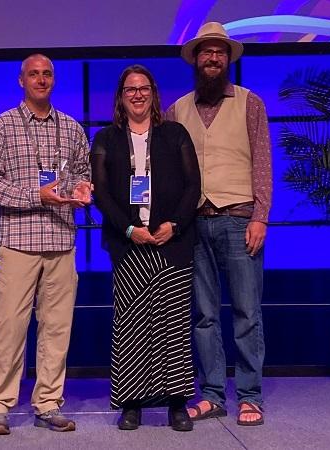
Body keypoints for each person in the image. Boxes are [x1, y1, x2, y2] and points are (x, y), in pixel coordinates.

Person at [166, 22, 272, 426]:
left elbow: (262, 162)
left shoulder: (250, 103)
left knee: (247, 312)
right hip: (196, 224)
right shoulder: (177, 109)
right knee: (204, 315)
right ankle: (211, 393)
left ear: (227, 59)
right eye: (206, 52)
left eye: (219, 52)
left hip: (239, 219)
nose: (213, 58)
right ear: (195, 59)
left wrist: (260, 216)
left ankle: (250, 395)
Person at [0, 54, 91, 435]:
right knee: (10, 326)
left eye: (47, 74)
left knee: (57, 327)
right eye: (33, 74)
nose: (41, 80)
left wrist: (81, 191)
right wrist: (36, 195)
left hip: (61, 239)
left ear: (53, 81)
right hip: (18, 241)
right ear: (21, 80)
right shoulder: (3, 127)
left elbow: (83, 177)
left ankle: (47, 403)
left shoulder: (72, 129)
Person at [91, 65, 201, 432]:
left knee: (173, 325)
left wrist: (175, 225)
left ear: (153, 93)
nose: (137, 94)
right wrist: (128, 228)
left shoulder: (175, 134)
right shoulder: (107, 138)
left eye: (143, 88)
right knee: (132, 326)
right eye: (129, 89)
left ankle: (176, 404)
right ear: (121, 97)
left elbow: (192, 186)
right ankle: (132, 403)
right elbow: (101, 193)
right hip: (129, 245)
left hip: (173, 243)